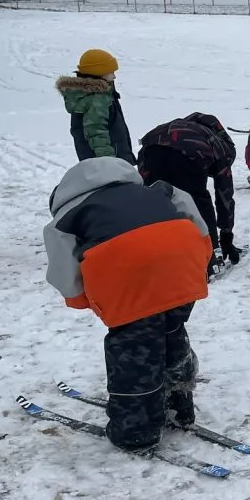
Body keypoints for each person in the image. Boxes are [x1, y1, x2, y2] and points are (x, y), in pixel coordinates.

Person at [41, 157, 212, 450]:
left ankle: (136, 432)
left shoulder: (65, 217)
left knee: (135, 351)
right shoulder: (156, 190)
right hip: (182, 267)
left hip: (129, 278)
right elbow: (188, 209)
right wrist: (199, 262)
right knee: (171, 332)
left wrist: (87, 300)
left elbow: (64, 273)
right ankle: (178, 408)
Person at [137, 112, 238, 272]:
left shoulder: (179, 126)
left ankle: (155, 254)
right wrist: (226, 234)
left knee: (156, 200)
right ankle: (210, 261)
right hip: (189, 153)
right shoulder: (219, 145)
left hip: (150, 148)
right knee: (197, 202)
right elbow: (224, 195)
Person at [56, 48, 135, 164]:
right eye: (111, 72)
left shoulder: (101, 94)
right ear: (99, 74)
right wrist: (109, 162)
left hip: (107, 160)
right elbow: (97, 133)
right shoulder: (96, 99)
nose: (114, 76)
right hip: (108, 162)